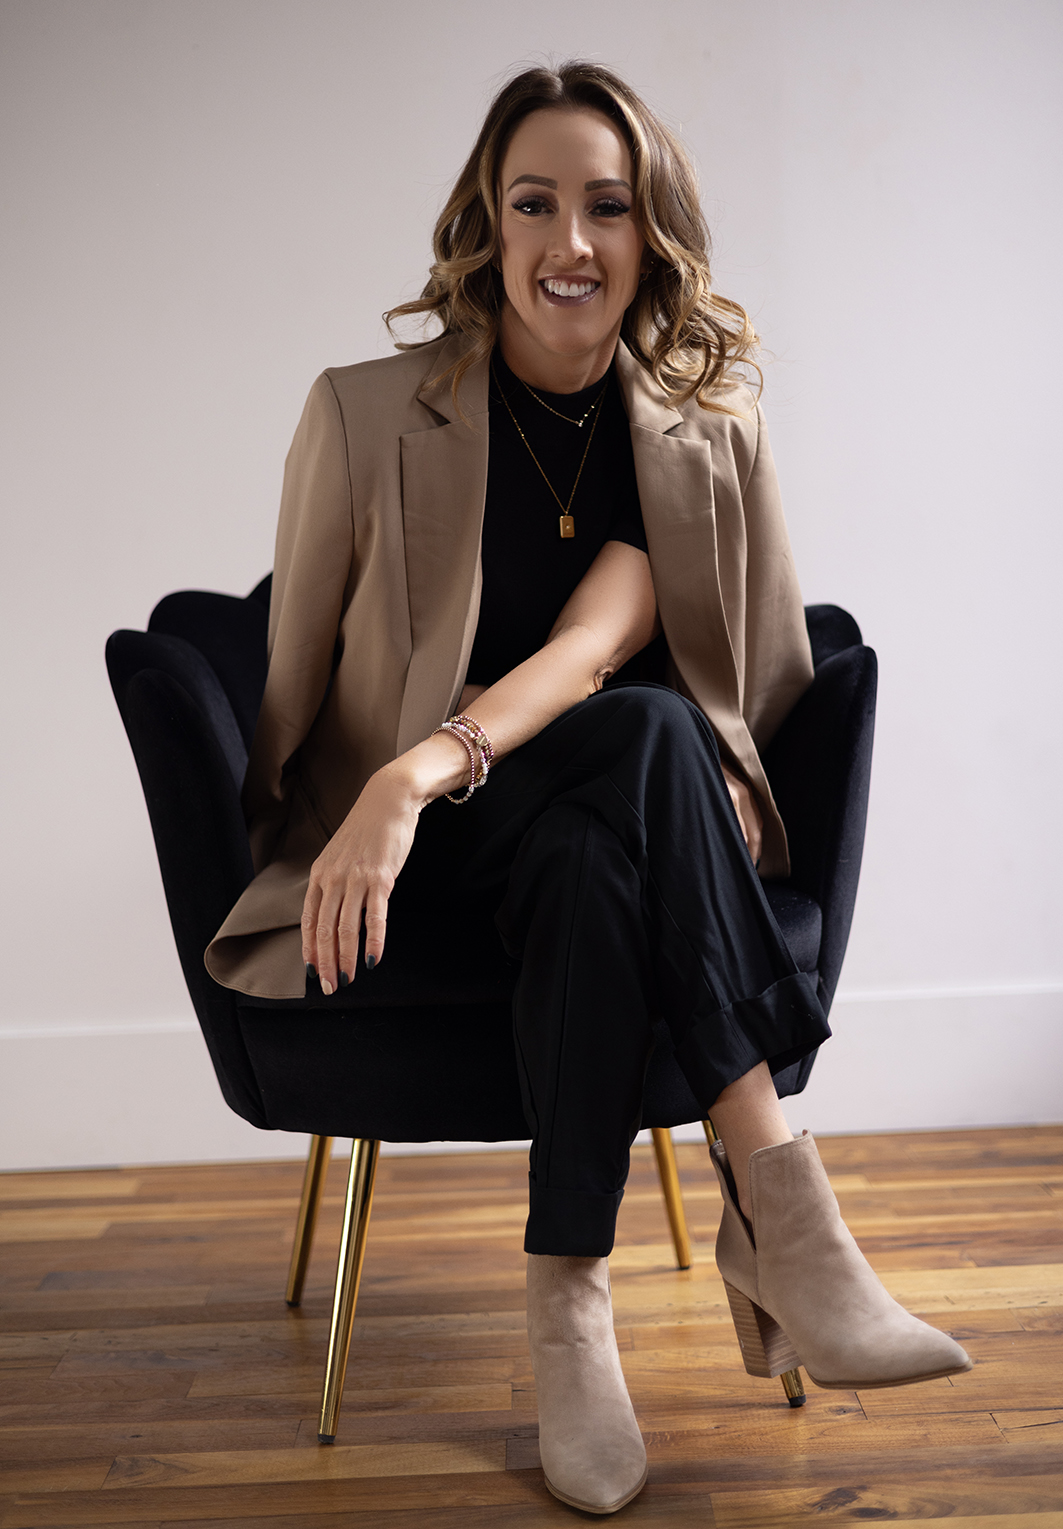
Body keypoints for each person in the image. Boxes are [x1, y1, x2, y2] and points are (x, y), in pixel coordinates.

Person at [206, 61, 970, 1516]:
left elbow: (637, 653)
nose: (572, 242)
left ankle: (570, 1307)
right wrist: (361, 808)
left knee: (626, 801)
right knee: (649, 748)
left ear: (649, 232)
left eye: (606, 207)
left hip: (589, 832)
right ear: (487, 228)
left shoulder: (695, 424)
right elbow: (292, 667)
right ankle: (784, 1211)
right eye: (535, 203)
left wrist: (450, 761)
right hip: (420, 859)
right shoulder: (367, 417)